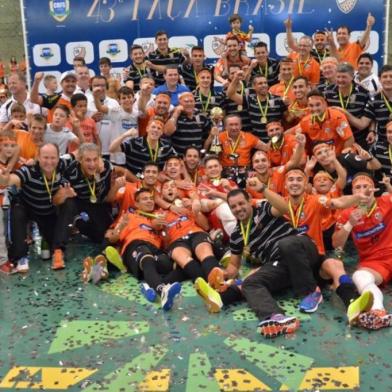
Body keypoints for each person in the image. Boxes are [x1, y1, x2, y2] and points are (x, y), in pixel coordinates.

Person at [105, 188, 182, 310]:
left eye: (151, 199)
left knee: (178, 266)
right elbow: (112, 239)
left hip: (155, 248)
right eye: (145, 199)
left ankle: (148, 284)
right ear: (136, 204)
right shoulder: (129, 216)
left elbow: (166, 244)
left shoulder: (158, 218)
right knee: (147, 259)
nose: (149, 201)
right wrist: (122, 226)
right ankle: (162, 291)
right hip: (135, 244)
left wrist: (163, 230)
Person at [333, 173, 392, 329]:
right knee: (360, 276)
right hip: (375, 263)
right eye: (357, 187)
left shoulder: (386, 201)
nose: (363, 190)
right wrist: (350, 224)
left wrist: (389, 187)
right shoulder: (347, 214)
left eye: (366, 186)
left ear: (373, 188)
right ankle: (378, 311)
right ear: (353, 193)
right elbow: (336, 243)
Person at [0, 143, 71, 272]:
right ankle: (20, 256)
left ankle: (57, 250)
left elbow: (79, 153)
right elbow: (13, 179)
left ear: (58, 158)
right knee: (17, 210)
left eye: (52, 158)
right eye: (45, 157)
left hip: (47, 211)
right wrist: (4, 179)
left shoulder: (63, 165)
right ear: (38, 157)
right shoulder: (29, 170)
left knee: (68, 204)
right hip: (27, 207)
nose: (49, 162)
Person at [53, 143, 120, 269]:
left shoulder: (106, 168)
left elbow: (106, 199)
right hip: (76, 201)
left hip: (96, 204)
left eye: (95, 159)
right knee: (68, 203)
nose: (92, 164)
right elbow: (52, 162)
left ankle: (104, 257)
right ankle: (58, 251)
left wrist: (107, 181)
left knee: (102, 234)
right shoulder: (70, 168)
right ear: (80, 160)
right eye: (88, 160)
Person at [228, 72, 286, 142]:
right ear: (253, 86)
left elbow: (287, 119)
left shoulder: (278, 99)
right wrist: (236, 78)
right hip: (258, 143)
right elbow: (230, 94)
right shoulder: (250, 99)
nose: (264, 85)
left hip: (277, 140)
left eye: (265, 83)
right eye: (260, 83)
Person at [324, 62, 371, 149]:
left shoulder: (363, 93)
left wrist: (344, 113)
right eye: (338, 77)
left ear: (352, 77)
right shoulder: (328, 92)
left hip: (358, 139)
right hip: (335, 139)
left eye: (344, 77)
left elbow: (363, 124)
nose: (340, 80)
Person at [109, 118, 175, 177]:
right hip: (134, 181)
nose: (155, 130)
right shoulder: (135, 143)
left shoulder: (166, 146)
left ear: (161, 132)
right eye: (153, 127)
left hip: (154, 181)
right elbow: (112, 149)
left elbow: (179, 161)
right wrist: (125, 135)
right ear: (147, 129)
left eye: (159, 128)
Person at [297, 89, 354, 155]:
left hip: (338, 156)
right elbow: (296, 131)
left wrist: (341, 158)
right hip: (320, 158)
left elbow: (349, 139)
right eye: (311, 106)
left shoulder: (337, 117)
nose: (314, 109)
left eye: (318, 105)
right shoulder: (305, 121)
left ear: (325, 104)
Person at [93, 86, 138, 165]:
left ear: (133, 99)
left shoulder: (137, 113)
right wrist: (96, 97)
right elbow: (100, 108)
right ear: (119, 101)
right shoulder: (116, 111)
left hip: (134, 154)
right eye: (123, 98)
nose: (127, 100)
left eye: (129, 97)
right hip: (118, 156)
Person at [88, 75, 121, 160]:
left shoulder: (114, 103)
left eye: (102, 85)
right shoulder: (86, 103)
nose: (99, 88)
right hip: (91, 150)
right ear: (91, 87)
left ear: (106, 87)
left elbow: (116, 120)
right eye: (96, 85)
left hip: (111, 150)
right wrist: (91, 120)